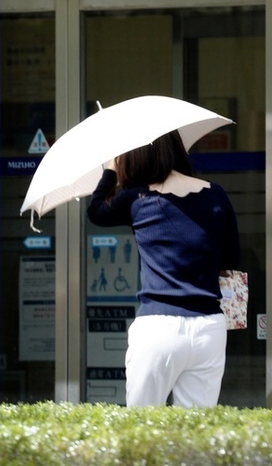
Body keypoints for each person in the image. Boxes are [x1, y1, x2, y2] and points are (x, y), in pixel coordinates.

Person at [87, 129, 241, 408]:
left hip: (158, 328)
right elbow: (231, 260)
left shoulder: (137, 199)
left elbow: (96, 211)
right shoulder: (216, 194)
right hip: (209, 327)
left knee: (143, 430)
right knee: (196, 431)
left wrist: (111, 169)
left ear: (136, 157)